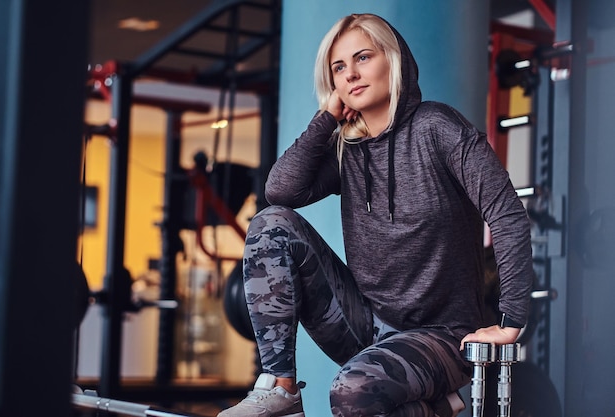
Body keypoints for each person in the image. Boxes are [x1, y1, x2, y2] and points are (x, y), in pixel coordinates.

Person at [218, 13, 533, 417]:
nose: (350, 74)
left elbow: (506, 214)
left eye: (362, 58)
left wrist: (510, 321)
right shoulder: (348, 149)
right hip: (365, 326)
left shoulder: (437, 127)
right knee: (271, 224)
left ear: (393, 58)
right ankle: (281, 390)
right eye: (338, 67)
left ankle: (441, 402)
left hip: (442, 336)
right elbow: (281, 191)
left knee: (353, 393)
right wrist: (327, 116)